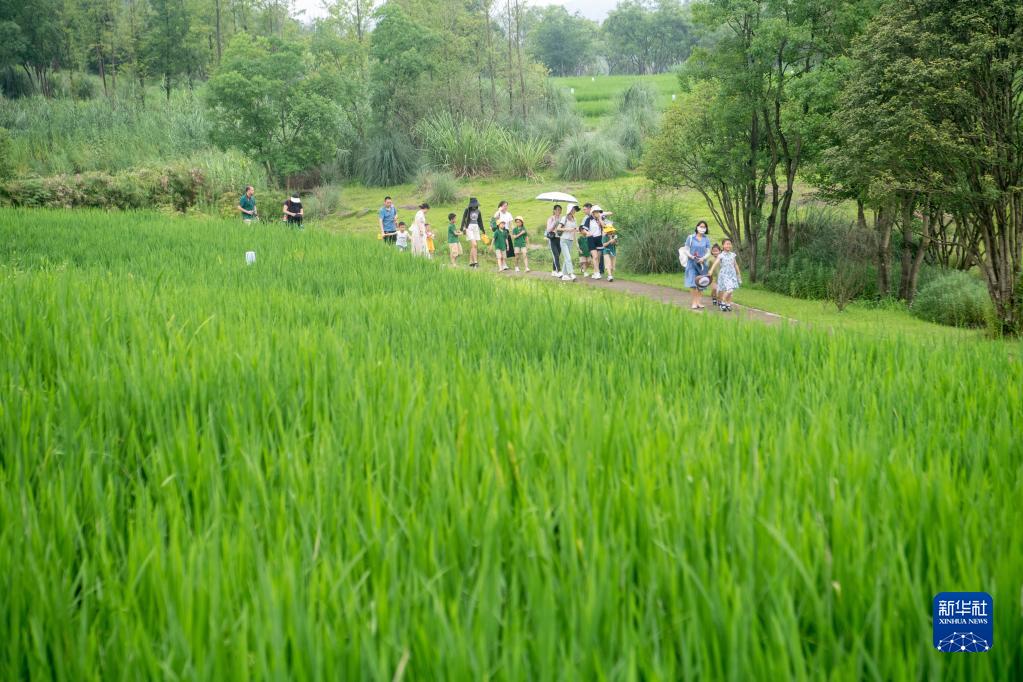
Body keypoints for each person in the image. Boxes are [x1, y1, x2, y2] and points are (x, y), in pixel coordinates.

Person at [684, 220, 712, 309]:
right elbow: (686, 249)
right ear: (697, 227)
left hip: (702, 264)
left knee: (701, 283)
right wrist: (692, 256)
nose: (702, 228)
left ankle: (699, 302)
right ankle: (694, 302)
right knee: (693, 283)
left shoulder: (706, 239)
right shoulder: (690, 237)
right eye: (701, 226)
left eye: (704, 227)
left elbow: (708, 251)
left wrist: (703, 258)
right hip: (692, 263)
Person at [708, 238, 741, 312]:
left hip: (732, 274)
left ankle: (728, 304)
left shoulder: (733, 255)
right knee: (729, 289)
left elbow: (735, 265)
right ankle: (722, 302)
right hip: (724, 274)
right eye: (727, 244)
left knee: (730, 291)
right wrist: (711, 270)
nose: (728, 245)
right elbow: (716, 263)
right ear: (723, 245)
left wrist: (738, 274)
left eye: (730, 244)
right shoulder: (721, 255)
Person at [460, 197, 485, 268]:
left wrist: (483, 230)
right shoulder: (467, 210)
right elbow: (463, 219)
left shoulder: (478, 211)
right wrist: (462, 228)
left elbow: (480, 221)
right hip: (469, 228)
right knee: (474, 244)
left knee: (473, 246)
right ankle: (475, 262)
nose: (474, 206)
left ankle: (470, 262)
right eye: (473, 204)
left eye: (475, 204)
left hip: (476, 228)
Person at [586, 205, 606, 279]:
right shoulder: (589, 219)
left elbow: (604, 226)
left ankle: (595, 272)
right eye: (596, 212)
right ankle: (597, 273)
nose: (598, 213)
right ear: (593, 213)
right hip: (591, 239)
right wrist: (587, 233)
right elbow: (585, 229)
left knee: (598, 257)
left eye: (599, 212)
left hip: (599, 239)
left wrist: (600, 219)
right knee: (595, 256)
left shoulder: (601, 219)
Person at [559, 205, 578, 281]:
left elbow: (574, 231)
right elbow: (558, 228)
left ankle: (564, 275)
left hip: (570, 240)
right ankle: (571, 273)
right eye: (573, 209)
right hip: (563, 240)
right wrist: (568, 229)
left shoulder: (574, 219)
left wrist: (576, 242)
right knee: (568, 258)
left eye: (575, 209)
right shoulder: (564, 218)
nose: (574, 211)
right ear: (569, 210)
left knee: (567, 258)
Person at [545, 205, 563, 276]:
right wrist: (554, 222)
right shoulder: (551, 219)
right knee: (556, 255)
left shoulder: (562, 219)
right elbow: (548, 229)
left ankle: (553, 270)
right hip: (552, 239)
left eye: (560, 210)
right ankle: (559, 270)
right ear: (554, 210)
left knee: (557, 255)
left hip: (560, 238)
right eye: (558, 209)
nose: (559, 211)